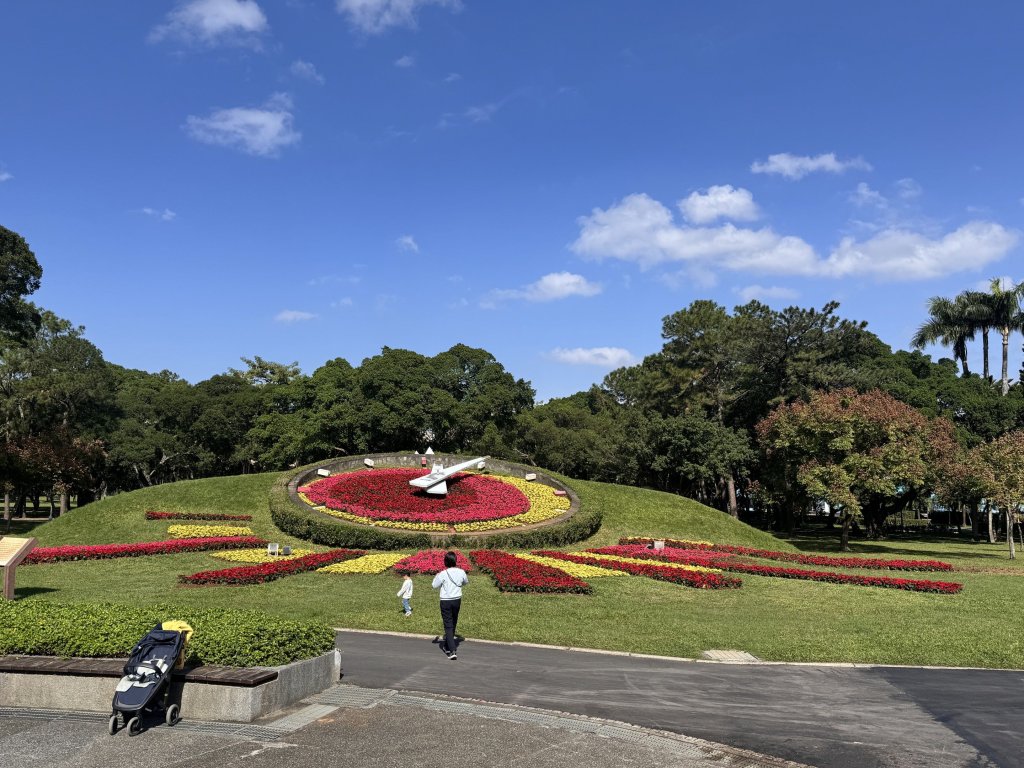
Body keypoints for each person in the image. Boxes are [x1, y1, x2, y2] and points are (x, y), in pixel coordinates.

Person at [431, 551, 468, 660]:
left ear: (445, 561)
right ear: (455, 560)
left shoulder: (442, 573)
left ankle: (452, 650)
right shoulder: (461, 572)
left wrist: (437, 575)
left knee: (448, 624)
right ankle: (448, 644)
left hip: (446, 600)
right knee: (454, 621)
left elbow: (434, 585)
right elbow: (465, 582)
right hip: (457, 600)